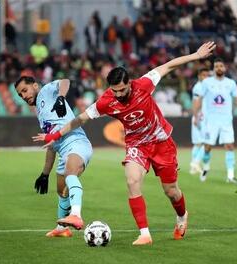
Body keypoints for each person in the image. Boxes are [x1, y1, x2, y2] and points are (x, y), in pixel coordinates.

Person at [33, 42, 217, 245]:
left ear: (130, 83)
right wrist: (55, 135)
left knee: (171, 191)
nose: (118, 95)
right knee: (132, 181)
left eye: (122, 90)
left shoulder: (144, 84)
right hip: (137, 145)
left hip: (161, 142)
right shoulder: (107, 100)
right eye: (115, 91)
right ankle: (144, 234)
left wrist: (196, 55)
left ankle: (182, 216)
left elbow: (168, 66)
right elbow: (81, 119)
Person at [14, 76, 93, 237]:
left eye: (24, 90)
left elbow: (65, 81)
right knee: (61, 191)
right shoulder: (41, 113)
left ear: (35, 85)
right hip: (62, 150)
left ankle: (76, 215)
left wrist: (61, 98)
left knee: (71, 175)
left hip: (76, 142)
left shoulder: (46, 91)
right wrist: (45, 174)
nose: (23, 96)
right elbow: (51, 146)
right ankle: (62, 228)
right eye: (20, 95)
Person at [193, 58, 237, 184]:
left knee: (230, 146)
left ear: (224, 68)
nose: (219, 68)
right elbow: (200, 99)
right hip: (211, 120)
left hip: (226, 120)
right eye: (216, 66)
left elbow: (236, 99)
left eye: (221, 66)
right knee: (208, 147)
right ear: (214, 69)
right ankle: (206, 167)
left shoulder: (231, 83)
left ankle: (230, 176)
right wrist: (195, 115)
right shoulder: (207, 83)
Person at [190, 68, 210, 175]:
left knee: (198, 143)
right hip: (200, 117)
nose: (205, 77)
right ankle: (196, 162)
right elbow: (196, 103)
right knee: (206, 141)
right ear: (199, 76)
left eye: (207, 75)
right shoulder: (199, 87)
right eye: (203, 75)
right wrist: (196, 116)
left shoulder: (205, 86)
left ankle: (193, 166)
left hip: (201, 117)